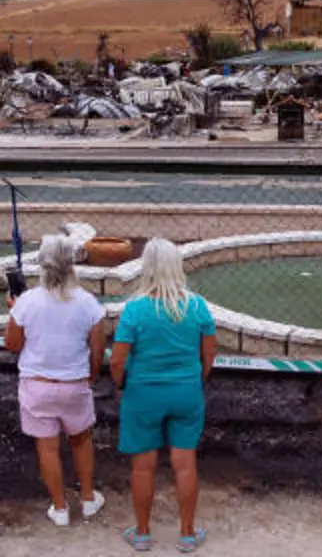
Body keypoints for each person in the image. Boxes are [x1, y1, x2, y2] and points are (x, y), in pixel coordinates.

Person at [110, 237, 216, 553]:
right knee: (185, 464)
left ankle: (142, 534)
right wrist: (197, 379)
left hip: (143, 393)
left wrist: (120, 385)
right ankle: (187, 534)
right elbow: (209, 355)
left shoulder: (135, 310)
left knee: (143, 466)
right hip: (186, 391)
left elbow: (116, 359)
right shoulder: (197, 306)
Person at [4, 234, 107, 527]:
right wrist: (91, 377)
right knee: (82, 440)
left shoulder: (26, 302)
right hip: (74, 384)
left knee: (47, 447)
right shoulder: (88, 302)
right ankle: (88, 499)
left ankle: (59, 508)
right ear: (71, 264)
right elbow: (97, 349)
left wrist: (12, 312)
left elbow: (12, 345)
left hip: (37, 385)